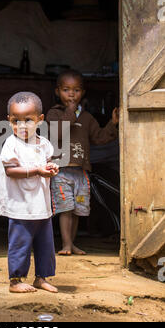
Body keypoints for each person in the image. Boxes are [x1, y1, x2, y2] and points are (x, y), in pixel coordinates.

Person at [46, 69, 119, 256]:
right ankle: (65, 244)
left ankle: (72, 242)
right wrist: (70, 113)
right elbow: (57, 134)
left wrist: (112, 123)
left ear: (83, 93)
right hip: (61, 171)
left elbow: (100, 138)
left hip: (81, 172)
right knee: (65, 208)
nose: (71, 94)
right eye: (66, 90)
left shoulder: (87, 118)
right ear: (57, 92)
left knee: (77, 209)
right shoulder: (53, 114)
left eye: (76, 90)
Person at [0, 92, 59, 293]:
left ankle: (42, 277)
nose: (22, 126)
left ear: (40, 120)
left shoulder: (44, 144)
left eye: (28, 120)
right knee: (20, 244)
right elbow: (10, 171)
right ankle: (15, 280)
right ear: (9, 121)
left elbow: (46, 164)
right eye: (16, 121)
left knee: (45, 245)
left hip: (41, 204)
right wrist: (37, 171)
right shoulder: (11, 144)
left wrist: (50, 168)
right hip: (20, 205)